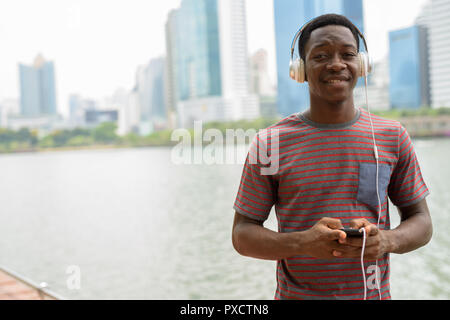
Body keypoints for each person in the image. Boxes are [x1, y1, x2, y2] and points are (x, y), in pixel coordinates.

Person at [231, 14, 432, 300]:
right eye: (321, 55)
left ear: (361, 65)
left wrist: (387, 240)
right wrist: (302, 242)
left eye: (348, 54)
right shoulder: (270, 142)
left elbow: (422, 221)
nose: (336, 63)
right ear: (299, 70)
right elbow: (242, 234)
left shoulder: (392, 136)